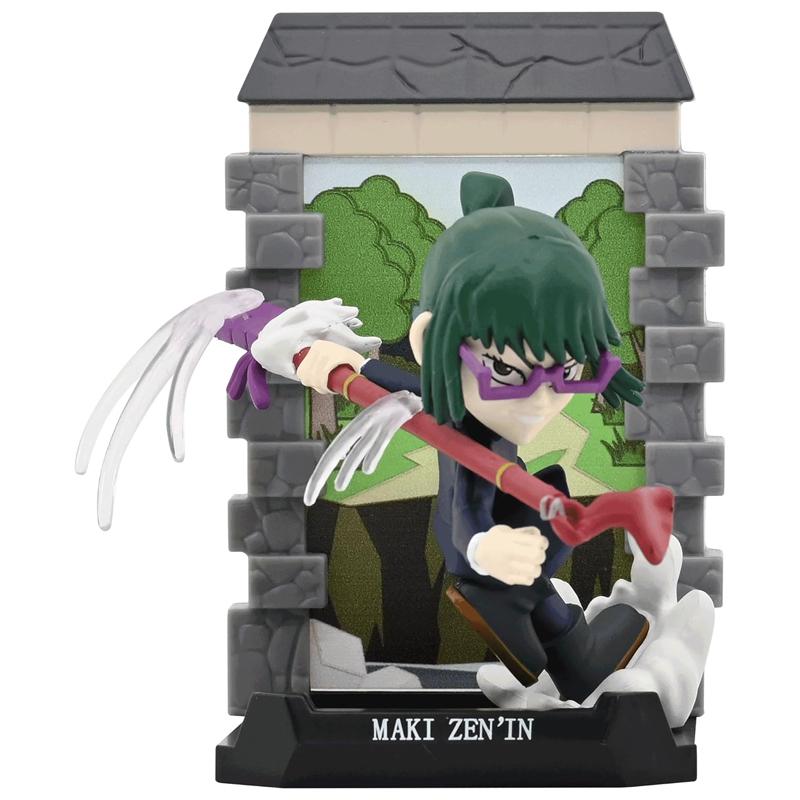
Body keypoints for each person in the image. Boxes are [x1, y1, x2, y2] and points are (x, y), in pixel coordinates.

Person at [294, 172, 649, 702]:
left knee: (538, 556)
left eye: (570, 371)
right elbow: (465, 512)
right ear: (429, 341)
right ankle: (541, 630)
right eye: (506, 370)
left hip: (512, 504)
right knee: (526, 558)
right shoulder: (468, 440)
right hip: (483, 533)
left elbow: (405, 387)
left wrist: (350, 367)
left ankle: (557, 645)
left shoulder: (451, 403)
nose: (542, 400)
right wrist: (485, 550)